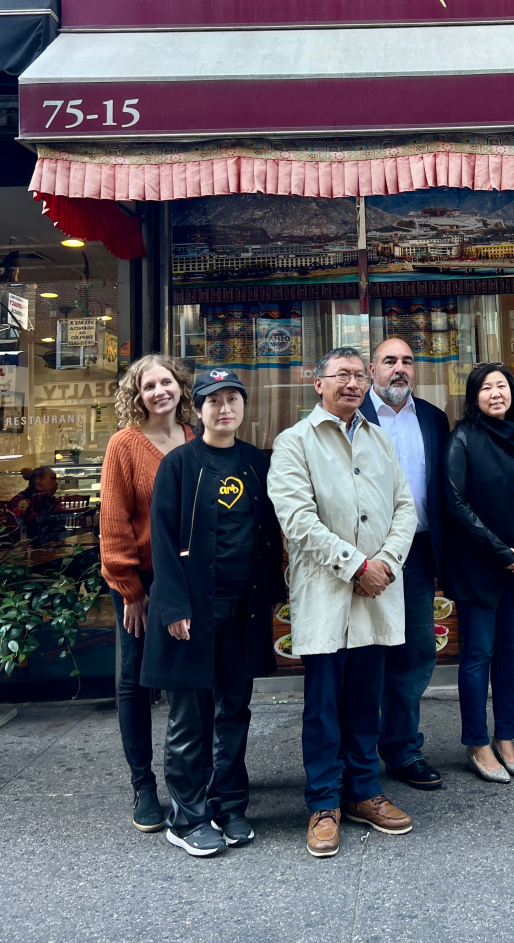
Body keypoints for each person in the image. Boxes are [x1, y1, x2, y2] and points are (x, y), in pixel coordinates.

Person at [267, 347, 418, 858]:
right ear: (319, 382)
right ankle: (324, 803)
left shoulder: (378, 440)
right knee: (324, 707)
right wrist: (356, 566)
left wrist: (387, 564)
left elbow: (404, 507)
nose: (352, 383)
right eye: (342, 375)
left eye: (359, 375)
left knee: (364, 703)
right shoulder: (294, 443)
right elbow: (297, 519)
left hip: (377, 590)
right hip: (329, 592)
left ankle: (364, 793)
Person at [141, 368, 285, 858]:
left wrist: (276, 592)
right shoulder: (180, 464)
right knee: (191, 717)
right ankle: (187, 816)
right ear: (197, 409)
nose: (224, 408)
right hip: (192, 612)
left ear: (243, 406)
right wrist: (174, 606)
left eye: (232, 399)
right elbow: (162, 541)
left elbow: (270, 534)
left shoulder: (256, 463)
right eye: (213, 401)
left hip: (243, 608)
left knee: (234, 711)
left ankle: (230, 805)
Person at [99, 355, 195, 833]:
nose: (160, 391)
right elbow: (114, 524)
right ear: (137, 395)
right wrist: (130, 589)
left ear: (181, 387)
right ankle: (143, 784)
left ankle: (193, 777)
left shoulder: (196, 439)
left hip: (189, 579)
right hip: (141, 581)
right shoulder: (124, 445)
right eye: (149, 385)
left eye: (167, 381)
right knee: (134, 678)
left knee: (188, 679)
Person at [360, 336, 450, 791]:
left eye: (408, 361)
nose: (400, 368)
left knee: (416, 652)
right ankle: (356, 752)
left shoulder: (434, 419)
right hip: (366, 557)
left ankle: (402, 749)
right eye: (389, 361)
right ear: (372, 368)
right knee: (367, 652)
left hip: (417, 554)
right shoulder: (352, 416)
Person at [443, 362, 514, 783]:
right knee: (477, 656)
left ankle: (507, 737)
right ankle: (477, 742)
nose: (496, 393)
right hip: (480, 564)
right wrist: (500, 551)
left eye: (502, 386)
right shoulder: (462, 438)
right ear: (474, 395)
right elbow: (456, 502)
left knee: (508, 655)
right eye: (487, 388)